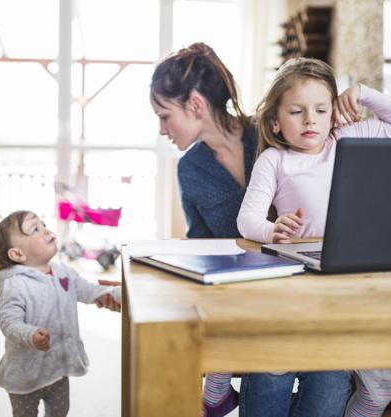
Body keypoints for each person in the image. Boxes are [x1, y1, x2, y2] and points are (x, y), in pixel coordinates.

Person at [237, 57, 391, 417]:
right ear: (275, 120)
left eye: (321, 110)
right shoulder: (275, 159)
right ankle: (218, 381)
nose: (310, 120)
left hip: (349, 283)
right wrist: (272, 230)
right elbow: (247, 220)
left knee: (381, 385)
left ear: (334, 113)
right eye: (297, 111)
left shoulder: (346, 138)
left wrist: (361, 94)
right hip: (298, 283)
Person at [150, 42, 255, 417]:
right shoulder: (190, 169)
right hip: (240, 292)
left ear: (195, 105)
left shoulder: (268, 135)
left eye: (164, 116)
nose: (162, 129)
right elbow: (201, 246)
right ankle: (215, 390)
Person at [0, 210, 121, 417]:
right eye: (35, 229)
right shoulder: (14, 285)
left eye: (42, 224)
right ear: (18, 254)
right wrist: (30, 334)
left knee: (60, 411)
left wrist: (114, 294)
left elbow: (89, 291)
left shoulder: (63, 272)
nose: (45, 230)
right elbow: (9, 322)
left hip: (57, 366)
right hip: (26, 374)